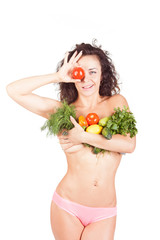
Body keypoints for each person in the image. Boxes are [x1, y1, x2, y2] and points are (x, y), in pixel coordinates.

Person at [6, 40, 136, 240]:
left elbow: (129, 144)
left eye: (92, 71)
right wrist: (57, 76)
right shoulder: (64, 112)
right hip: (68, 205)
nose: (86, 79)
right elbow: (14, 90)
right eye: (79, 73)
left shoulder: (116, 103)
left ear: (103, 74)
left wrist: (83, 136)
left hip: (104, 211)